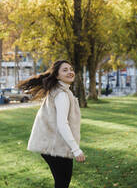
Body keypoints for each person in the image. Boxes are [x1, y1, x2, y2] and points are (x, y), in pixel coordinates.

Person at [17, 60, 86, 188]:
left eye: (71, 69)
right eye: (65, 70)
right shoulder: (61, 95)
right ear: (57, 76)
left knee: (61, 183)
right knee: (62, 183)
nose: (70, 72)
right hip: (56, 149)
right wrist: (76, 149)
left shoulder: (60, 91)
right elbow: (62, 124)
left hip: (53, 147)